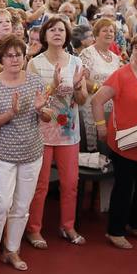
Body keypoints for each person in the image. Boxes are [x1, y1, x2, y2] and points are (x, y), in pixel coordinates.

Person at [0, 36, 50, 274]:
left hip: (31, 152)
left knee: (21, 206)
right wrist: (9, 113)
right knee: (1, 205)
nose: (14, 59)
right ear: (1, 58)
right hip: (3, 155)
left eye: (18, 54)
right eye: (9, 55)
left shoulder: (35, 82)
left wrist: (42, 110)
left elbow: (48, 116)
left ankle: (12, 250)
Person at [90, 35, 137, 249]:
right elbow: (97, 100)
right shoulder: (121, 75)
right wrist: (100, 125)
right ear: (131, 50)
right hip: (126, 143)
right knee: (124, 187)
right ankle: (115, 230)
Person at [24, 16, 88, 247]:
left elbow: (81, 99)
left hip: (68, 131)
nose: (57, 33)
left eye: (61, 30)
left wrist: (79, 87)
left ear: (67, 35)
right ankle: (34, 229)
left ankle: (67, 226)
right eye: (52, 29)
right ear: (45, 35)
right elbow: (32, 101)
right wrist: (53, 85)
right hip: (41, 129)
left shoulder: (76, 62)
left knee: (70, 182)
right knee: (40, 184)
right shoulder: (34, 63)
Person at [79, 18, 124, 150]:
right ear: (96, 34)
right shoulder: (88, 53)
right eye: (105, 30)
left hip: (111, 109)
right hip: (92, 106)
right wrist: (101, 89)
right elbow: (82, 79)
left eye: (112, 31)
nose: (109, 33)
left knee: (108, 147)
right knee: (93, 147)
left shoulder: (116, 58)